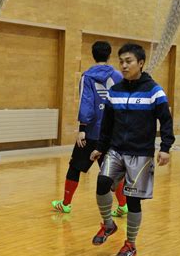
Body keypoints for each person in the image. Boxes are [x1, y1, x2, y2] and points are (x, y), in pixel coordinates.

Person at [89, 43, 175, 256]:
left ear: (141, 63)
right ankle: (108, 225)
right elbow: (107, 124)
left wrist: (165, 147)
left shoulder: (154, 91)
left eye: (128, 61)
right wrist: (100, 147)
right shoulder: (114, 91)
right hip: (116, 150)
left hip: (141, 154)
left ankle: (130, 244)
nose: (124, 66)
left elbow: (166, 121)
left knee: (132, 200)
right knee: (102, 183)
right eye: (121, 62)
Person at [51, 41, 127, 216]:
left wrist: (82, 127)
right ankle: (123, 206)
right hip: (112, 133)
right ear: (109, 55)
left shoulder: (88, 76)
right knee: (112, 171)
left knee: (75, 168)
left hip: (92, 133)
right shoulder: (118, 76)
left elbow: (86, 103)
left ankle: (66, 204)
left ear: (93, 55)